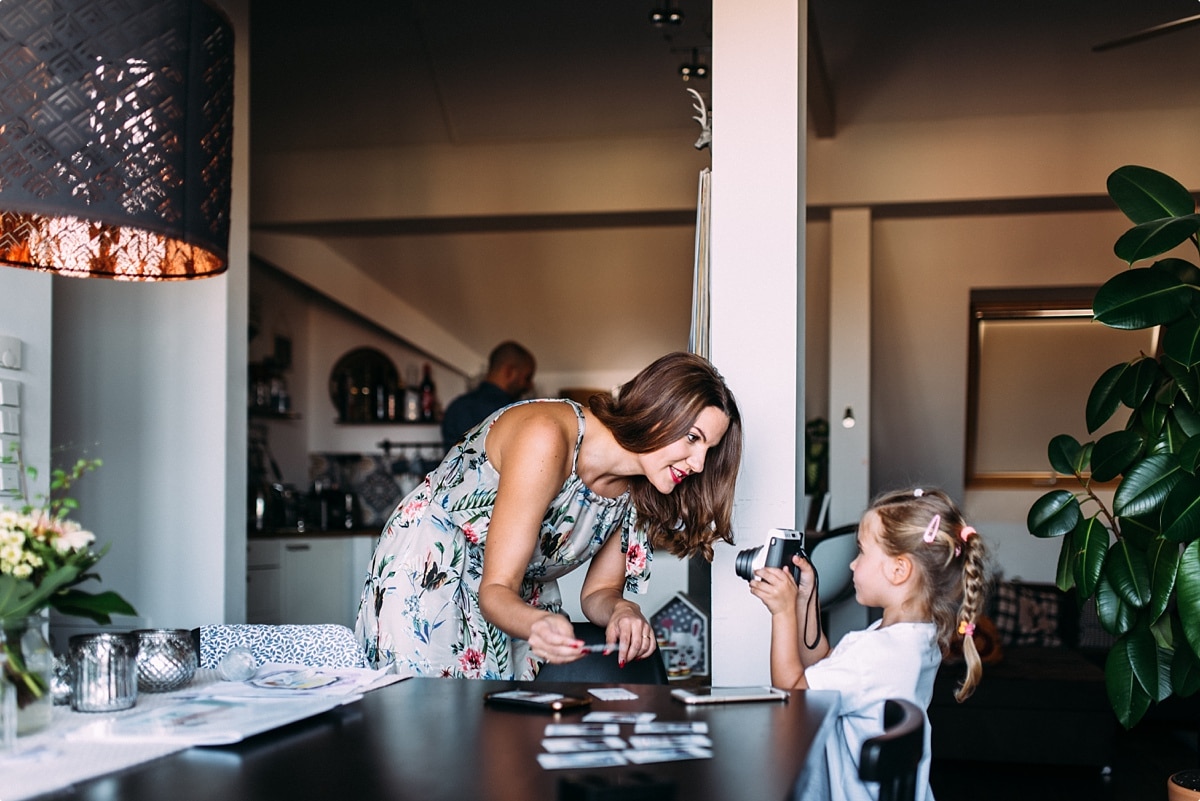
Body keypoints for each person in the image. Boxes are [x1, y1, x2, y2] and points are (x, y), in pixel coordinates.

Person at [356, 351, 742, 679]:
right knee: (432, 735)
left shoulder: (641, 488)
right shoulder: (547, 437)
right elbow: (497, 589)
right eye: (693, 438)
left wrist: (624, 610)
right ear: (659, 410)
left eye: (709, 449)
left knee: (499, 739)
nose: (698, 463)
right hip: (433, 572)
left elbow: (599, 594)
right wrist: (536, 622)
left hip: (511, 594)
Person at [750, 488, 989, 801]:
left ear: (898, 569)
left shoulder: (878, 655)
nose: (852, 564)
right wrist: (805, 599)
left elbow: (793, 692)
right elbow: (822, 664)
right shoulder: (912, 639)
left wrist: (781, 612)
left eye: (861, 552)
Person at [441, 341, 537, 450]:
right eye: (527, 378)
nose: (530, 386)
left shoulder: (457, 407)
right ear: (510, 371)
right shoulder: (514, 411)